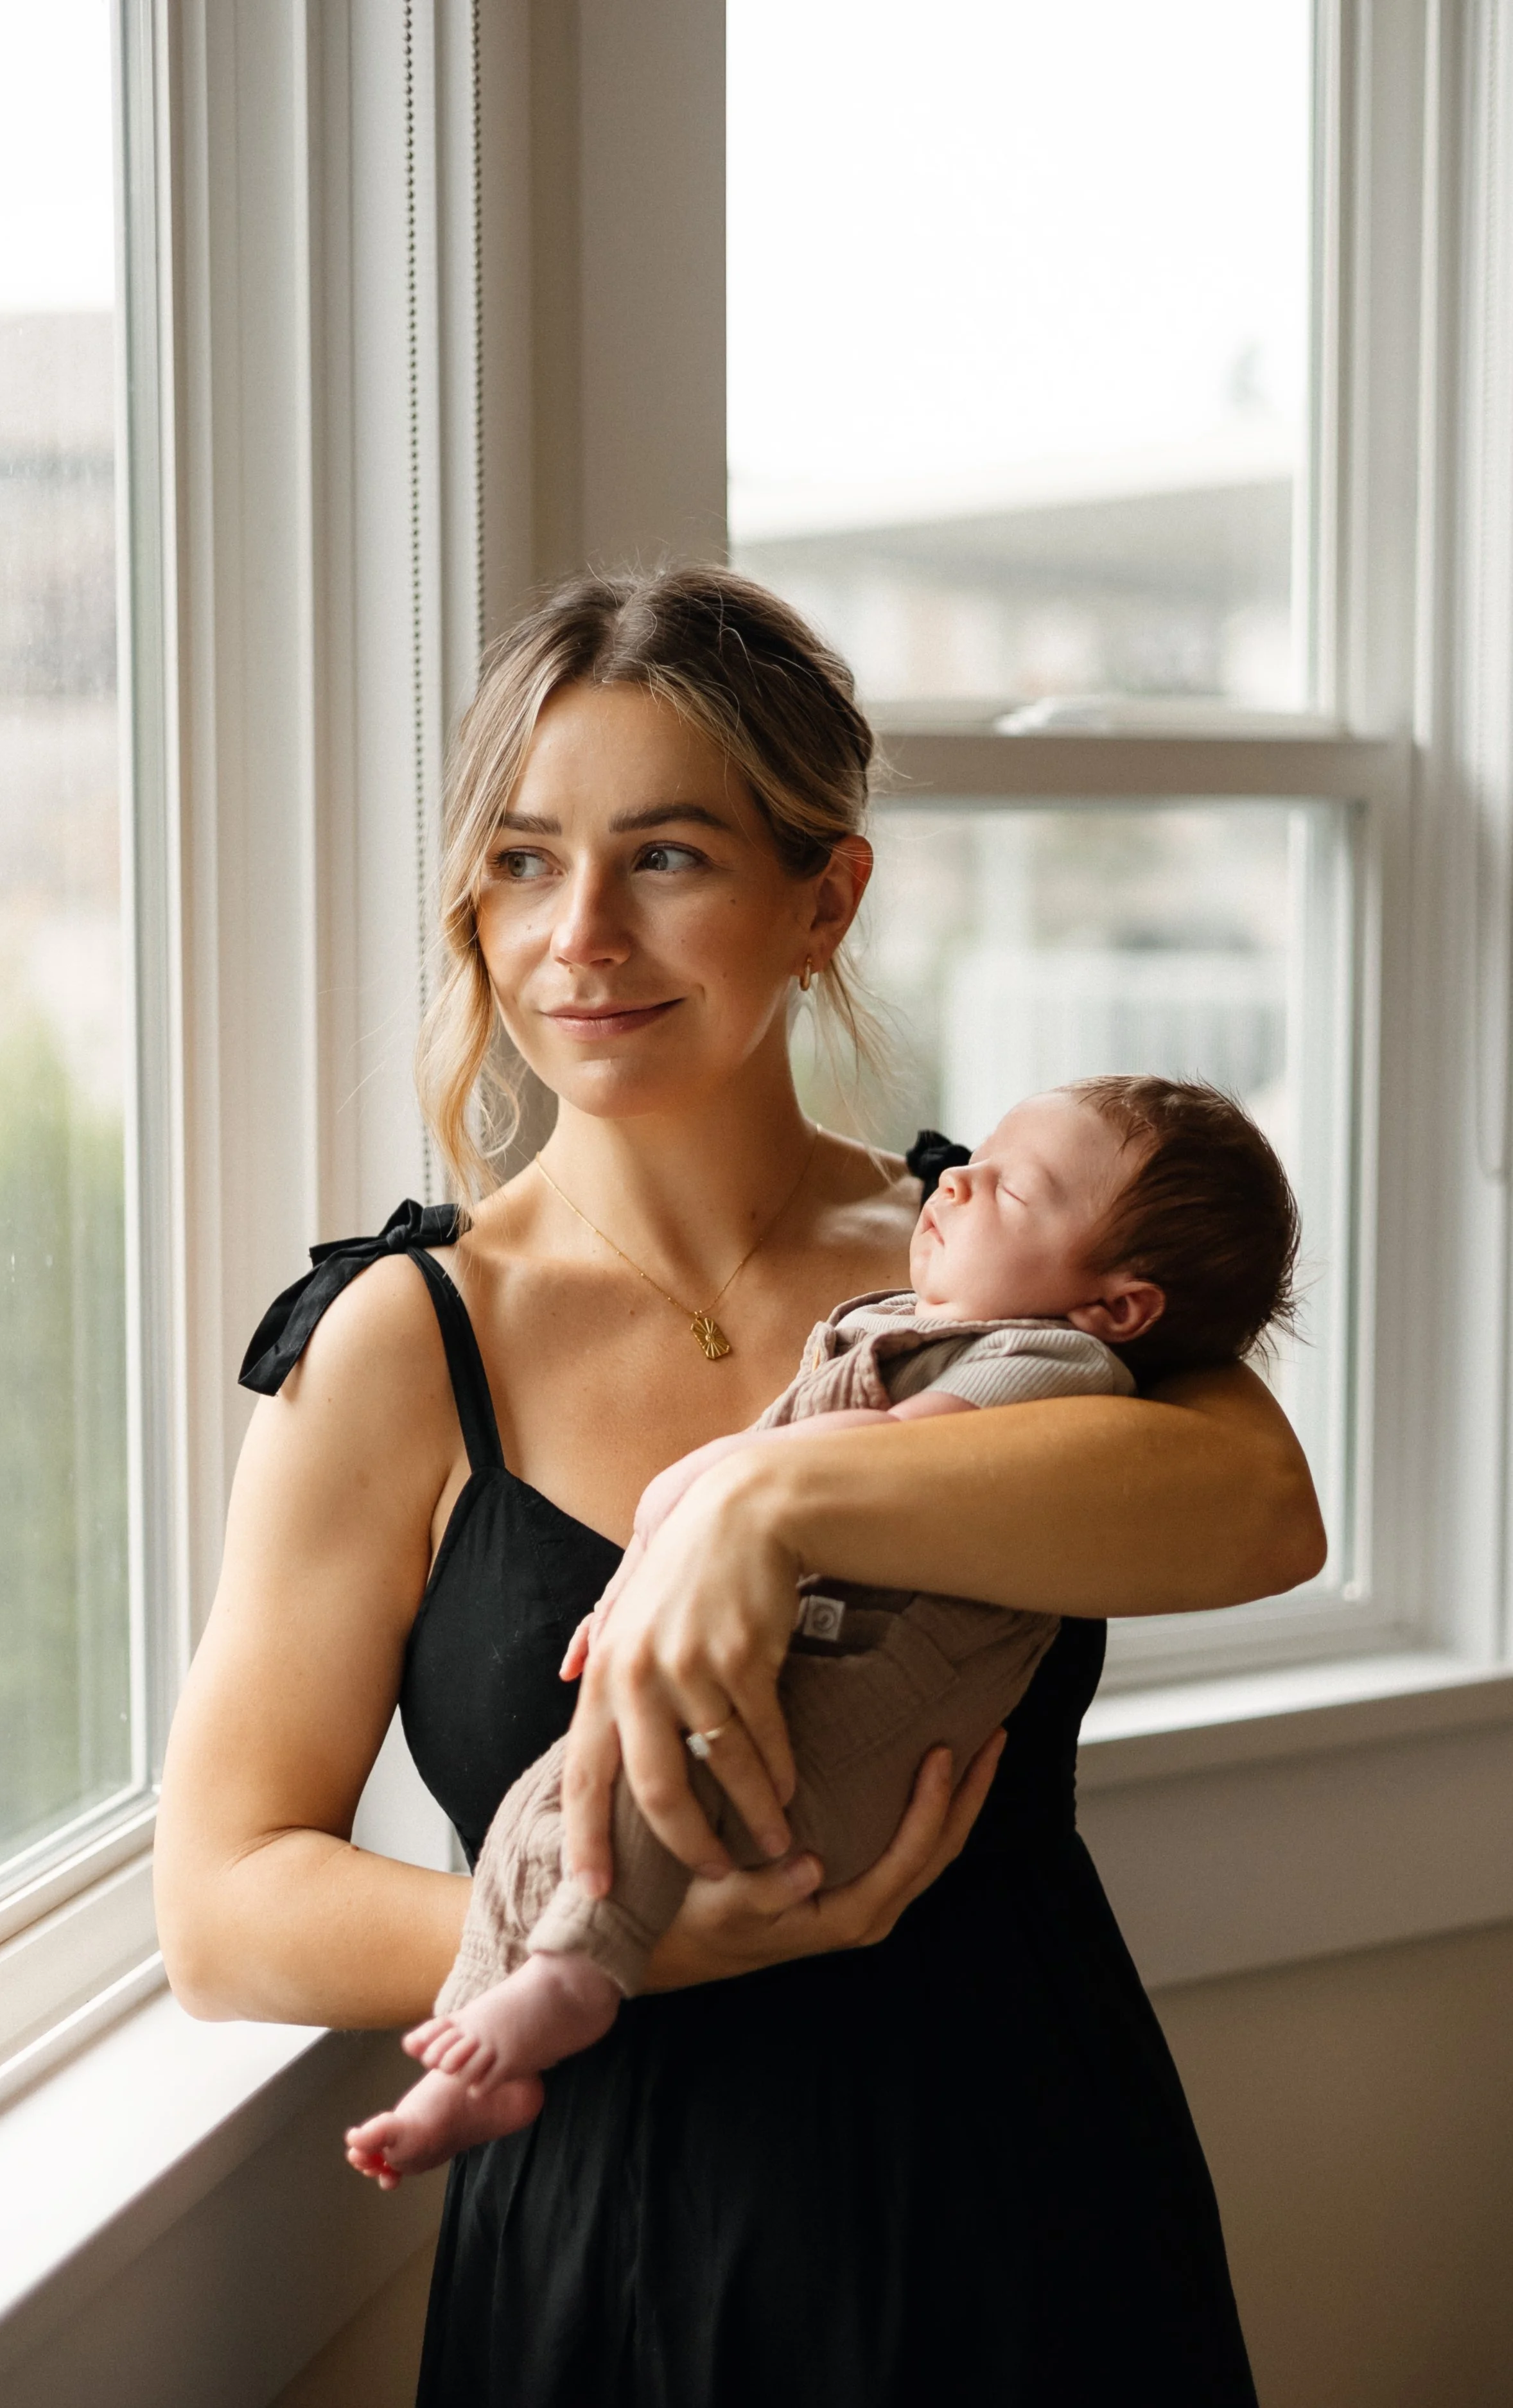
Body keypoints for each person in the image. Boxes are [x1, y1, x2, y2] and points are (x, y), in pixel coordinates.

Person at [154, 566, 1324, 2407]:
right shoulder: (401, 1340)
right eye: (524, 858)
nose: (579, 937)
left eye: (669, 855)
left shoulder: (994, 1257)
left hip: (1027, 2202)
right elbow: (221, 1913)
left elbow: (1260, 1512)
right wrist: (670, 1943)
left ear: (823, 894)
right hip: (613, 2245)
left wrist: (769, 1507)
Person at [342, 1075, 1299, 2182]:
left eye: (1016, 1189)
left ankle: (570, 1978)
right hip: (634, 2160)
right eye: (977, 1154)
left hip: (870, 1775)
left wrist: (715, 1498)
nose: (960, 1177)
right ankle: (487, 2048)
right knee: (542, 1814)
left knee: (669, 1784)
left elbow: (886, 1457)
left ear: (1121, 1307)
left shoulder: (1057, 1364)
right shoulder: (890, 1320)